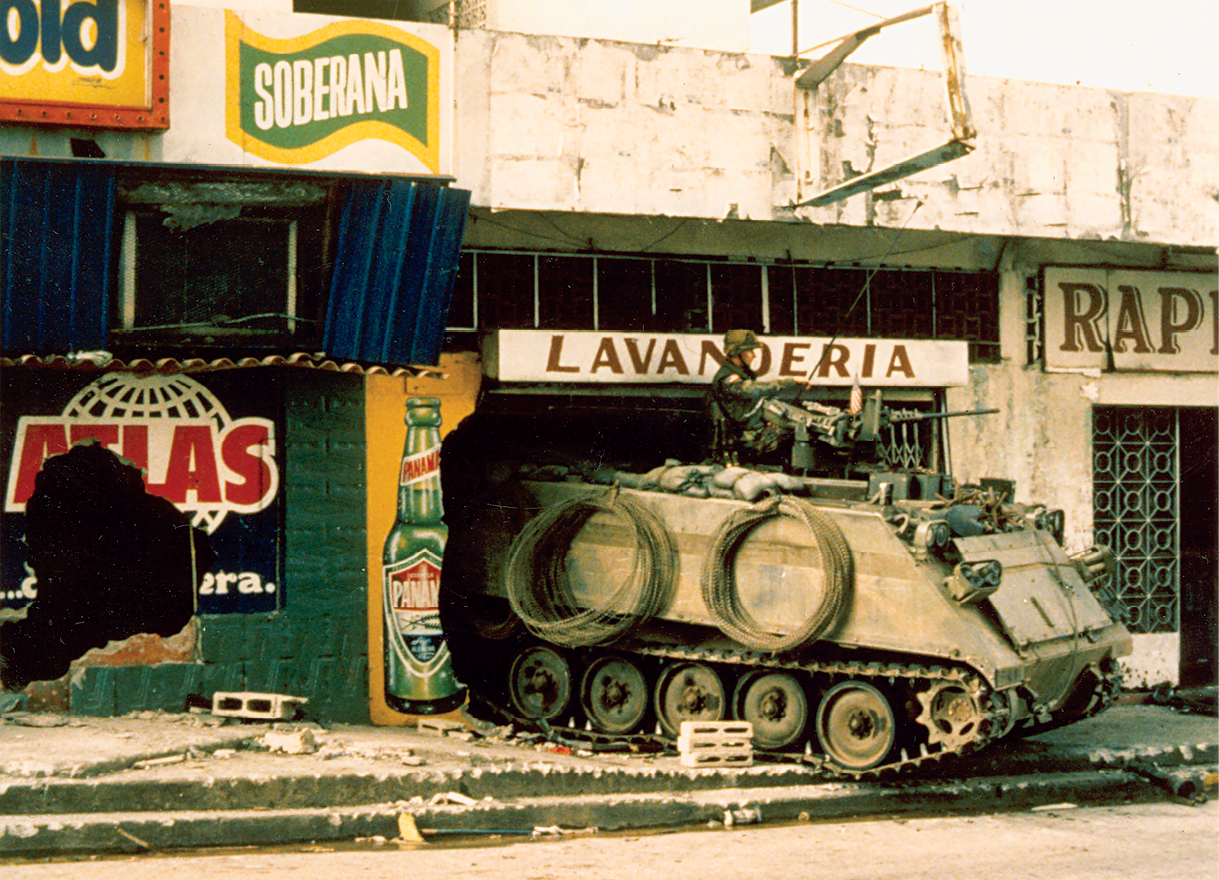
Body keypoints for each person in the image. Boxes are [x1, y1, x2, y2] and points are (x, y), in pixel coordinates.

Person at [708, 329, 808, 463]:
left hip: (751, 433)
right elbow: (755, 390)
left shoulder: (740, 374)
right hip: (745, 439)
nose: (754, 355)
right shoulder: (727, 378)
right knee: (798, 427)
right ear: (737, 352)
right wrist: (790, 381)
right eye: (750, 351)